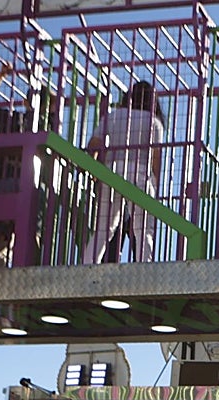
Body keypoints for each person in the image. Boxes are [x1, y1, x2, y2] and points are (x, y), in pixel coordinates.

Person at [82, 81, 166, 264]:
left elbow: (93, 145)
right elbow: (155, 156)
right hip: (140, 173)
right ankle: (145, 269)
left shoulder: (113, 116)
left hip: (111, 172)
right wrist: (156, 183)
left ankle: (88, 265)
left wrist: (95, 171)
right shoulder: (153, 122)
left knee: (104, 228)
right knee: (143, 229)